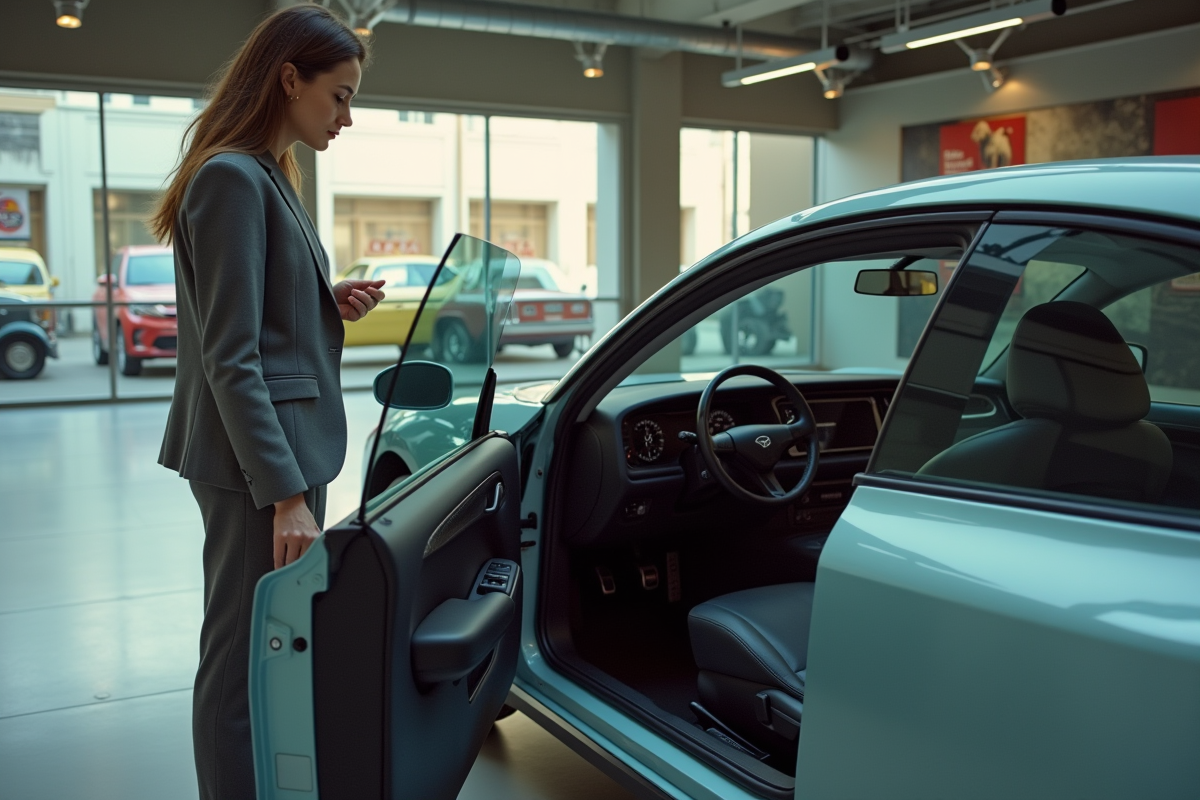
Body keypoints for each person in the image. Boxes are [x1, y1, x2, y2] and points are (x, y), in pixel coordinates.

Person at [150, 6, 381, 798]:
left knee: (269, 646)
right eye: (340, 96)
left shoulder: (265, 173)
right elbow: (228, 353)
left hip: (280, 453)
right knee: (240, 654)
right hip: (259, 466)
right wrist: (284, 494)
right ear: (290, 78)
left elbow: (258, 319)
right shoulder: (231, 177)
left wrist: (324, 297)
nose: (347, 116)